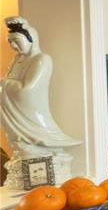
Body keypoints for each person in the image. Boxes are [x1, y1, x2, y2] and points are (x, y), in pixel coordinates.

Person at [0, 16, 80, 157]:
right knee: (19, 146)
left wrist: (4, 83)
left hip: (32, 113)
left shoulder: (42, 59)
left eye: (17, 41)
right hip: (14, 111)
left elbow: (27, 90)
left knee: (35, 144)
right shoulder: (17, 60)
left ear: (31, 39)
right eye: (10, 42)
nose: (14, 46)